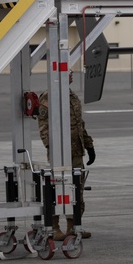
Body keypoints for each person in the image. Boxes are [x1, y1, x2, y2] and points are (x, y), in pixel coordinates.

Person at [36, 72, 96, 240]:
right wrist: (50, 146)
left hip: (76, 151)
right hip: (59, 152)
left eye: (71, 74)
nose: (70, 77)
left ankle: (74, 226)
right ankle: (54, 227)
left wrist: (89, 144)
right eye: (66, 74)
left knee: (77, 189)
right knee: (57, 188)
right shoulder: (49, 96)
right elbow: (43, 124)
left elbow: (79, 123)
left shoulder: (72, 96)